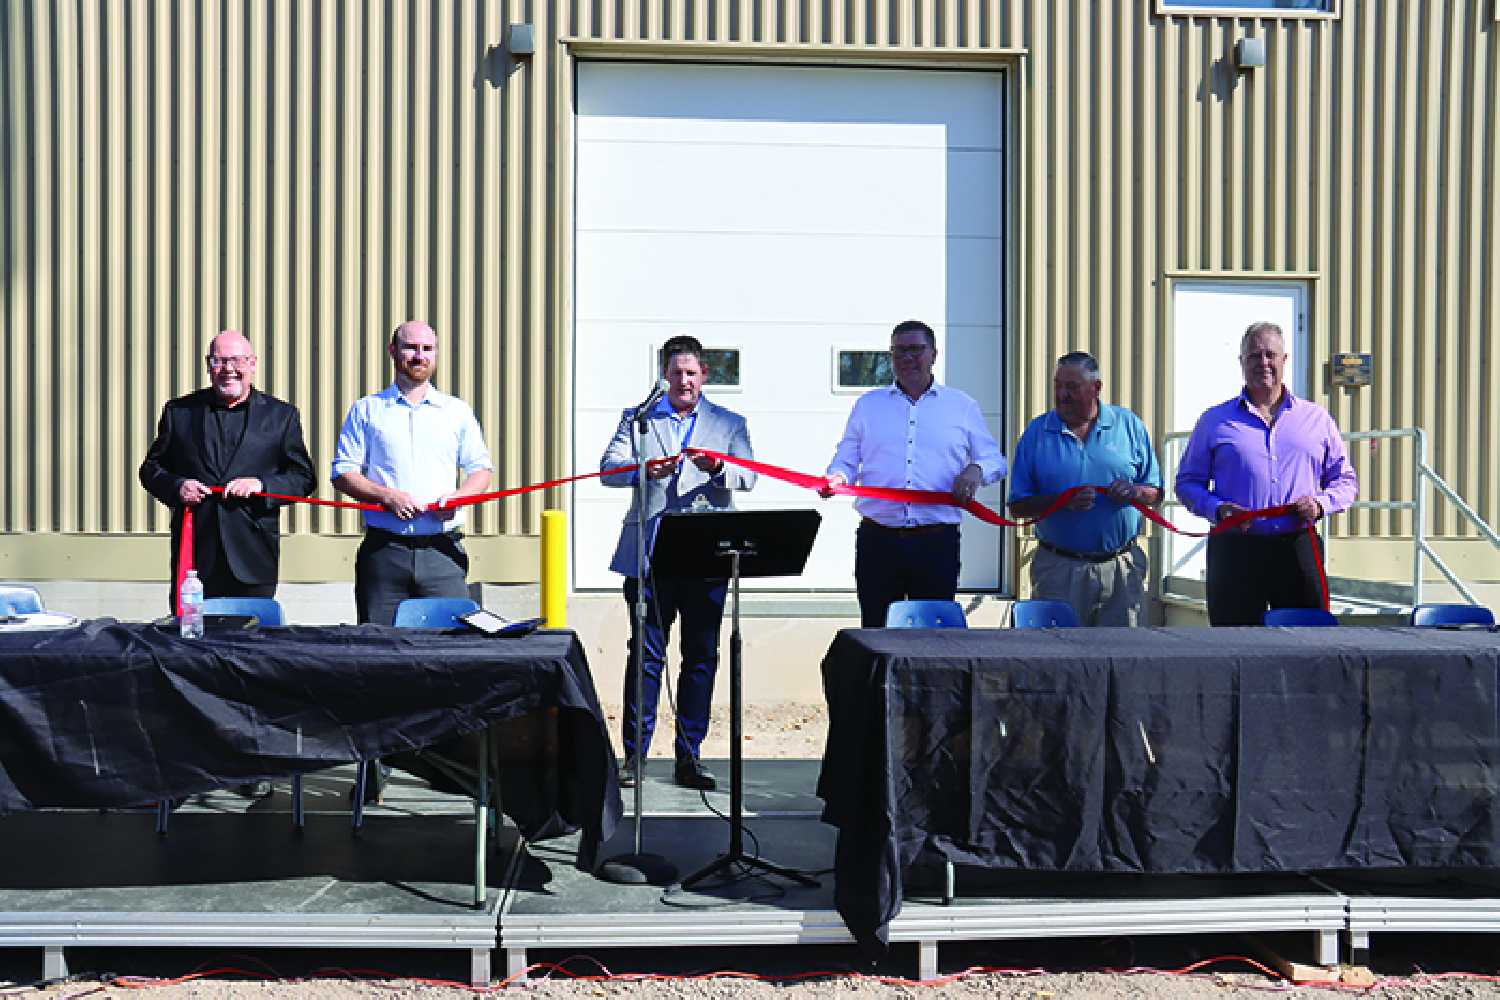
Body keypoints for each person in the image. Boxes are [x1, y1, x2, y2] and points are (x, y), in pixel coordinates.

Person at [139, 329, 315, 798]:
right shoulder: (180, 412)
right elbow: (151, 468)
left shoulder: (281, 416)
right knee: (188, 657)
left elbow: (303, 477)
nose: (229, 369)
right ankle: (187, 764)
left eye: (238, 361)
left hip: (251, 561)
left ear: (253, 364)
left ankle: (248, 765)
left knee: (248, 665)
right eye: (220, 361)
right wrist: (175, 486)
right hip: (195, 562)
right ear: (208, 364)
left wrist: (262, 483)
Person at [600, 335, 756, 791]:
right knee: (646, 656)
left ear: (704, 375)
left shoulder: (729, 423)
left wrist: (715, 470)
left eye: (691, 373)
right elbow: (608, 468)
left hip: (706, 555)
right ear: (663, 375)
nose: (683, 380)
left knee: (701, 656)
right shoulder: (639, 419)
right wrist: (643, 470)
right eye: (675, 372)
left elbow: (747, 476)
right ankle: (635, 757)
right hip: (650, 555)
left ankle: (690, 755)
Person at [824, 319, 1007, 628]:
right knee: (877, 632)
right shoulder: (869, 406)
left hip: (935, 543)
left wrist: (975, 470)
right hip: (878, 540)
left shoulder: (961, 406)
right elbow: (846, 458)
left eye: (915, 350)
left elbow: (995, 461)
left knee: (934, 636)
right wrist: (837, 478)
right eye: (899, 351)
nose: (907, 358)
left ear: (934, 354)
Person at [1174, 321, 1358, 626]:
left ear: (1285, 360)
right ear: (1241, 363)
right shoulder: (1215, 421)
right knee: (1235, 646)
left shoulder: (1316, 420)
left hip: (1297, 545)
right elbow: (1187, 483)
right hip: (1235, 548)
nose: (1263, 363)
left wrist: (1320, 504)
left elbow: (1345, 481)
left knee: (1308, 644)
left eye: (1270, 355)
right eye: (1254, 356)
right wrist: (1218, 510)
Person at [331, 321, 493, 628]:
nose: (419, 356)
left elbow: (480, 470)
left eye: (427, 349)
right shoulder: (367, 410)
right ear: (393, 351)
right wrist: (386, 496)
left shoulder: (456, 411)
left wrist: (460, 497)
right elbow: (342, 472)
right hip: (384, 553)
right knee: (378, 649)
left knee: (448, 650)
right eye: (411, 347)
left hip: (442, 552)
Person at [1007, 351, 1163, 626]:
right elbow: (1017, 507)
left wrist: (1134, 492)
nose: (1062, 394)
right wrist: (1061, 501)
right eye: (1057, 385)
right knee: (1058, 659)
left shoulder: (1128, 426)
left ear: (1097, 388)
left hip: (1121, 569)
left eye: (1072, 387)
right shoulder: (1037, 433)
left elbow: (1156, 493)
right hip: (1058, 570)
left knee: (1122, 658)